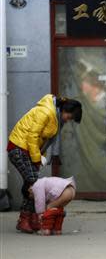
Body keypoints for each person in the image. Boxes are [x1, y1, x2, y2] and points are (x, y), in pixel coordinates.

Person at [7, 94, 82, 233]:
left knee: (31, 183)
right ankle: (28, 219)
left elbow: (44, 141)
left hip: (27, 149)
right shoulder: (46, 112)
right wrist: (36, 159)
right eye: (69, 117)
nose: (68, 120)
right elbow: (32, 136)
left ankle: (27, 219)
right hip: (18, 148)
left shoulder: (56, 118)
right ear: (65, 110)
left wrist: (39, 157)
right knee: (34, 183)